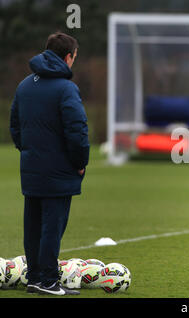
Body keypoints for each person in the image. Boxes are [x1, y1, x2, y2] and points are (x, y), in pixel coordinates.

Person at [9, 32, 90, 295]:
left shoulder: (24, 85)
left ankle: (34, 278)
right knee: (52, 227)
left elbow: (15, 126)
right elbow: (77, 130)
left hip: (31, 168)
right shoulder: (66, 88)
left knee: (32, 226)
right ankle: (48, 281)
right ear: (68, 57)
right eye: (74, 58)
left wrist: (30, 151)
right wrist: (80, 162)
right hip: (58, 172)